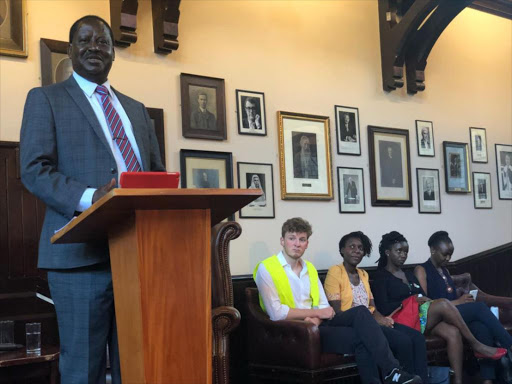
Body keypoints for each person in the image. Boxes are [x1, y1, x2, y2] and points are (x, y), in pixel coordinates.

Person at [20, 15, 165, 383]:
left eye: (102, 42)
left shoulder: (136, 109)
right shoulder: (46, 99)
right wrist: (90, 198)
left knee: (138, 365)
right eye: (84, 41)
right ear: (70, 50)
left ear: (113, 53)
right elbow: (34, 169)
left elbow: (156, 176)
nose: (93, 48)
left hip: (139, 257)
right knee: (82, 369)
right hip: (78, 258)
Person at [254, 218, 423, 384]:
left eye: (302, 239)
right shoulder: (266, 268)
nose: (297, 244)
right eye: (292, 238)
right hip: (293, 330)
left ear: (307, 243)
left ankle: (392, 372)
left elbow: (324, 306)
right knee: (364, 334)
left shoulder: (309, 268)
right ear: (282, 241)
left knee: (362, 319)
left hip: (318, 325)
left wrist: (315, 319)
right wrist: (316, 314)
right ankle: (392, 372)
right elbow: (277, 313)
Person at [373, 232, 506, 384]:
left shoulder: (408, 274)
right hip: (401, 322)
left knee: (453, 332)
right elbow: (383, 308)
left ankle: (458, 380)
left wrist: (419, 299)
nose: (403, 255)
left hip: (421, 317)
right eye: (399, 251)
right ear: (387, 252)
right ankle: (477, 345)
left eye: (406, 251)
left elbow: (423, 296)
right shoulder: (381, 277)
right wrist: (411, 300)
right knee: (443, 303)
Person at [324, 231, 428, 383]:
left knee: (414, 338)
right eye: (351, 247)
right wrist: (370, 318)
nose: (356, 250)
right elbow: (338, 311)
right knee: (363, 312)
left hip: (369, 321)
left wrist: (382, 319)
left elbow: (372, 307)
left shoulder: (364, 274)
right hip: (346, 321)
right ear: (342, 250)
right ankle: (393, 373)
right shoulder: (335, 271)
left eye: (360, 248)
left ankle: (415, 380)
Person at [414, 231, 512, 384]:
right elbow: (425, 305)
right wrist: (458, 302)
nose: (448, 258)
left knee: (481, 327)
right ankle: (509, 343)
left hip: (454, 316)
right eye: (445, 254)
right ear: (433, 250)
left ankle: (487, 380)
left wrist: (462, 302)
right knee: (479, 308)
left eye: (450, 254)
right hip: (436, 319)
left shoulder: (445, 270)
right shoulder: (421, 269)